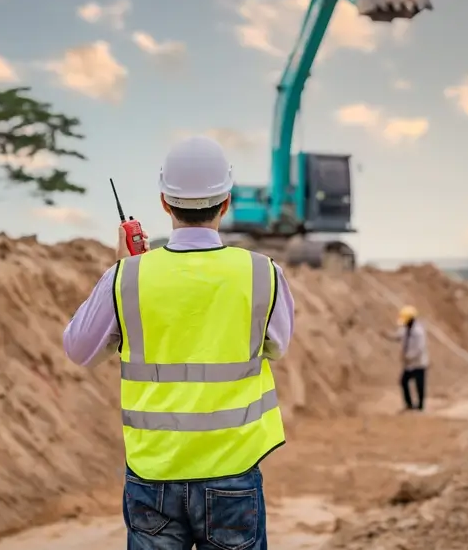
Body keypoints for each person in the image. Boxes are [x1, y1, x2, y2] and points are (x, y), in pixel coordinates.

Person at [62, 136, 295, 550]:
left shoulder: (128, 277)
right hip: (232, 471)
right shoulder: (263, 273)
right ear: (226, 202)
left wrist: (119, 272)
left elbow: (79, 350)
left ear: (165, 202)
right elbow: (278, 346)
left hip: (154, 476)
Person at [392, 305, 428, 411]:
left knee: (419, 385)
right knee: (403, 381)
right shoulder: (405, 329)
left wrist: (409, 357)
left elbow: (419, 348)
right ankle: (409, 404)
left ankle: (420, 406)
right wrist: (387, 336)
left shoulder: (418, 332)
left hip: (418, 362)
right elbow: (398, 336)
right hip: (409, 363)